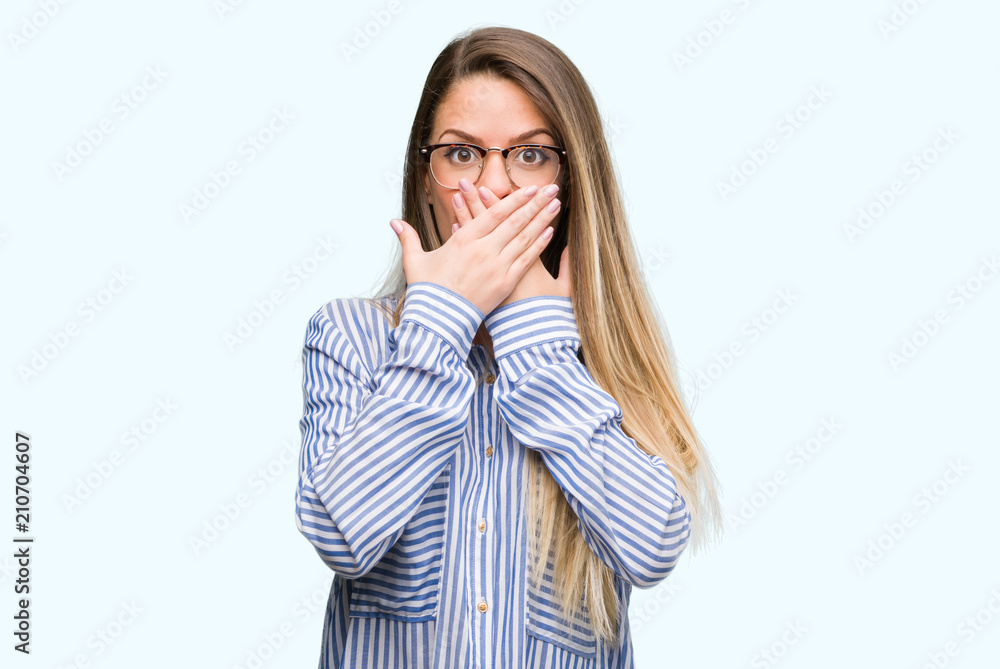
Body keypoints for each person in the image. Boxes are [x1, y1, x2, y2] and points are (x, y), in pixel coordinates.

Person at [295, 25, 723, 668]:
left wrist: (535, 338)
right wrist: (442, 318)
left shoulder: (607, 357)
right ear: (426, 175)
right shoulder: (350, 337)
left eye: (530, 156)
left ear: (572, 181)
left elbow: (650, 547)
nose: (493, 188)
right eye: (462, 154)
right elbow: (341, 536)